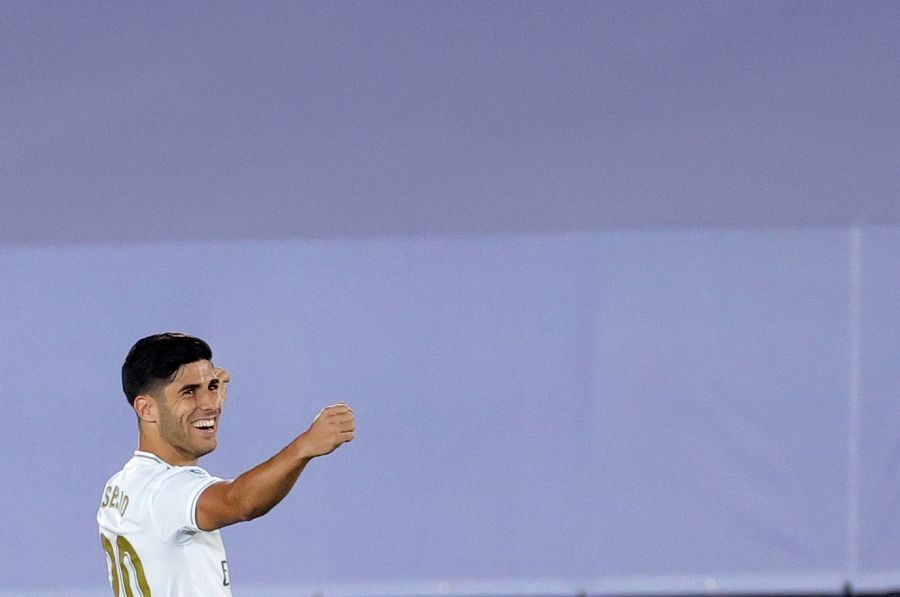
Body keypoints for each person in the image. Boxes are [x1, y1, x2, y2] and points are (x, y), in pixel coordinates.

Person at [97, 332, 355, 595]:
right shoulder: (166, 490)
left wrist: (198, 397)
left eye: (212, 387)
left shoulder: (121, 486)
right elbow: (239, 502)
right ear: (146, 409)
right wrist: (305, 447)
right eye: (189, 392)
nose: (211, 404)